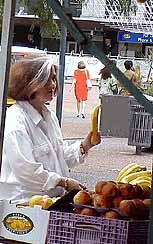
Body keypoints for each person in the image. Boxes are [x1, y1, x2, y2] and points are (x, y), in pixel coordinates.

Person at [0, 57, 101, 202]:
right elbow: (26, 170)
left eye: (53, 79)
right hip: (22, 204)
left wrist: (85, 145)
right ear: (30, 83)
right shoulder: (16, 120)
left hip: (49, 202)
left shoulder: (49, 116)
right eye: (47, 80)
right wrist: (63, 182)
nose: (53, 85)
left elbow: (58, 158)